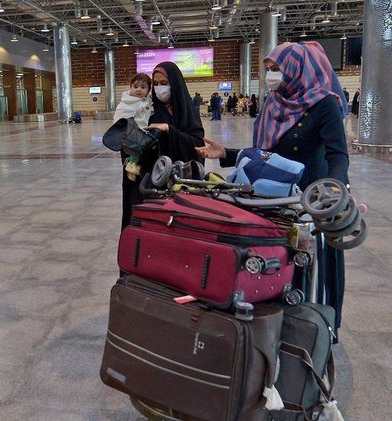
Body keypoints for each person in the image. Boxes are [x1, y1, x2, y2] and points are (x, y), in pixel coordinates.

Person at [195, 41, 350, 338]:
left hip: (310, 202)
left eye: (277, 69)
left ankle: (314, 331)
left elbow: (337, 155)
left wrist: (335, 188)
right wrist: (225, 153)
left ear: (296, 68)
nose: (272, 76)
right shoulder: (274, 102)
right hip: (274, 200)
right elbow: (264, 154)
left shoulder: (323, 103)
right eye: (269, 69)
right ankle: (277, 328)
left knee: (309, 266)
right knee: (278, 265)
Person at [120, 61, 204, 230]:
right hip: (150, 183)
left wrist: (169, 130)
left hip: (179, 182)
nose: (159, 88)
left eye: (164, 83)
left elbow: (197, 144)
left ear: (175, 83)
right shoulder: (149, 110)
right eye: (156, 84)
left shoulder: (187, 112)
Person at [113, 72, 154, 181]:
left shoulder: (149, 101)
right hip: (132, 132)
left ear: (148, 90)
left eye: (143, 87)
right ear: (130, 87)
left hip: (146, 132)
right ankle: (131, 166)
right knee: (134, 148)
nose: (138, 90)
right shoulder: (126, 102)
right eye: (135, 87)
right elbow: (119, 117)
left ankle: (134, 166)